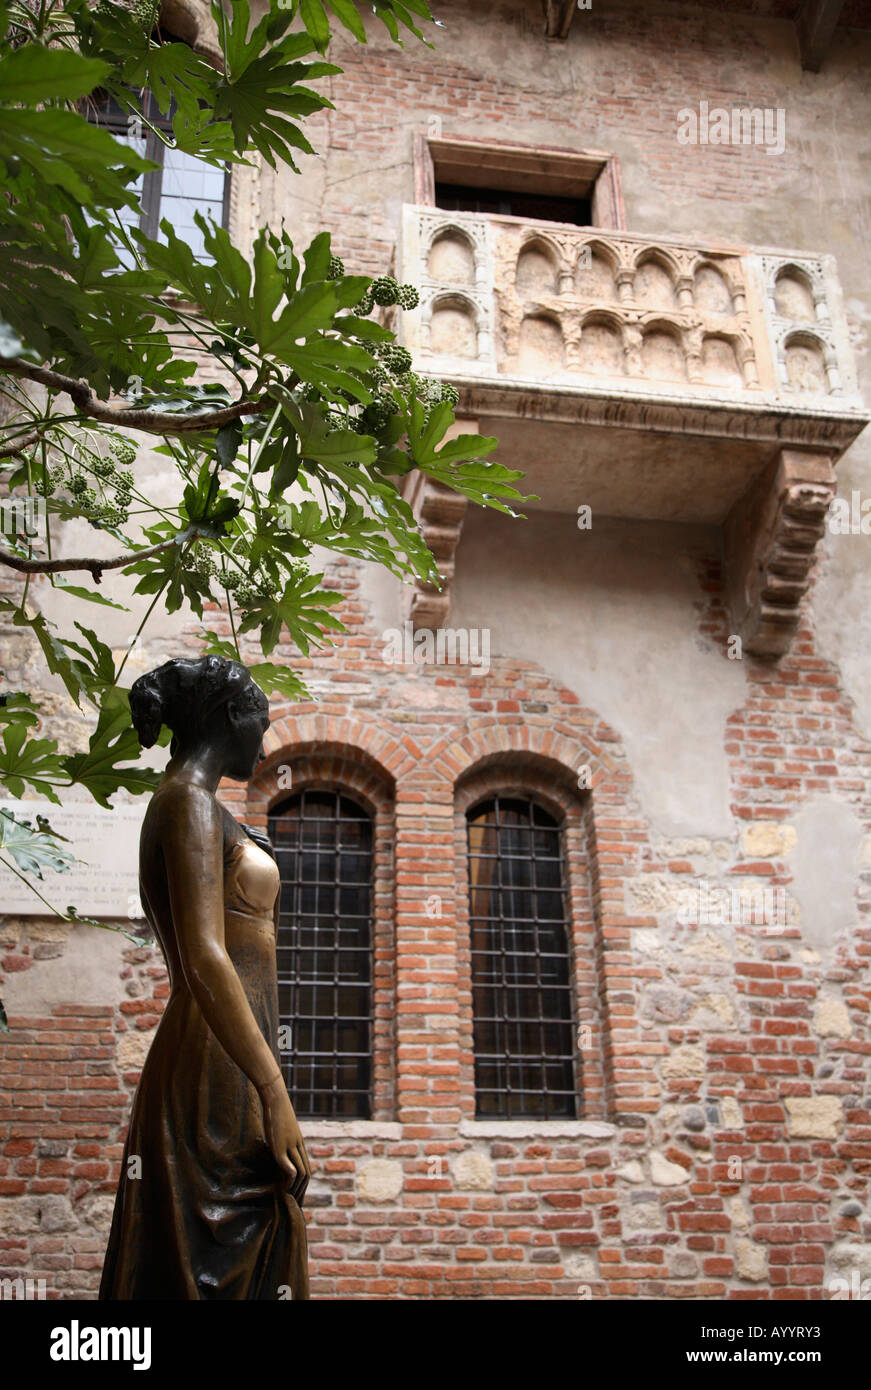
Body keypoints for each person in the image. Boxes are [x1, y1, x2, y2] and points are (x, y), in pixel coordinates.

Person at [99, 656, 311, 1300]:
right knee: (221, 1240)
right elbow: (204, 956)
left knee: (255, 1220)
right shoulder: (186, 802)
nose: (264, 739)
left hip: (233, 1053)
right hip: (211, 1061)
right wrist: (273, 1090)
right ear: (230, 718)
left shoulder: (205, 808)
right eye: (261, 722)